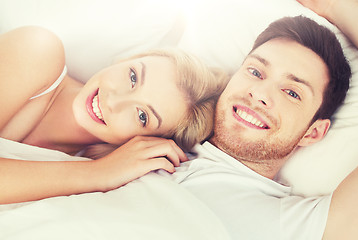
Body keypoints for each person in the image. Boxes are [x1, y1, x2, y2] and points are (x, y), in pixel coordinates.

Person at [155, 0, 358, 239]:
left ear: (312, 133)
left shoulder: (294, 226)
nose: (260, 94)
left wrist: (335, 6)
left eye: (292, 93)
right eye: (255, 72)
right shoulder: (147, 126)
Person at [0, 27, 229, 204]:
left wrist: (102, 172)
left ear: (147, 142)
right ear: (127, 59)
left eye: (142, 116)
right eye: (133, 77)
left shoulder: (99, 174)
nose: (113, 100)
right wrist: (97, 174)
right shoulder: (37, 49)